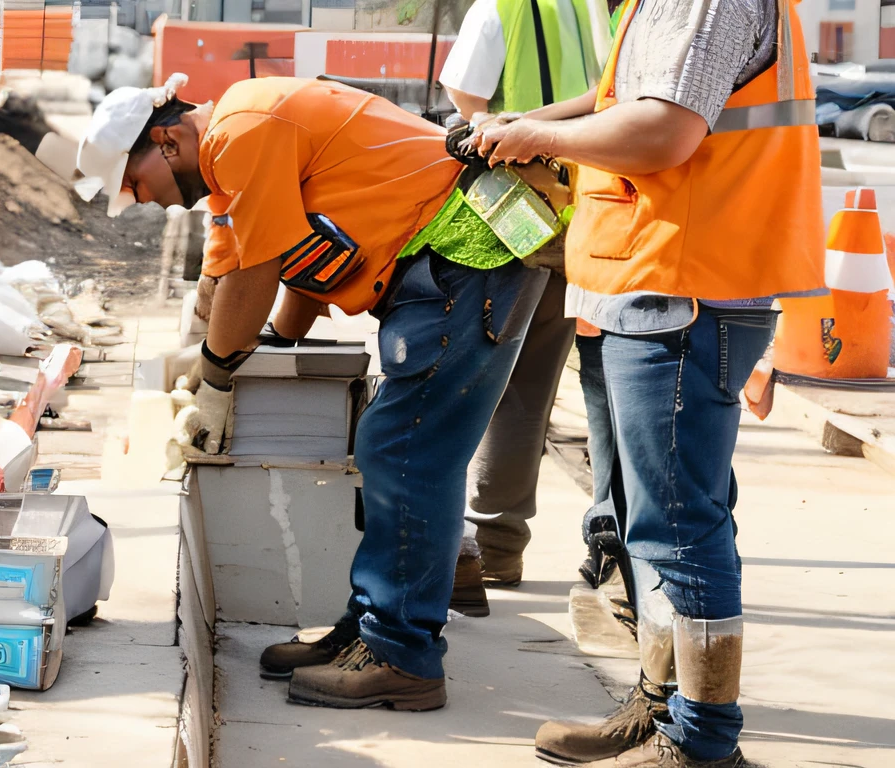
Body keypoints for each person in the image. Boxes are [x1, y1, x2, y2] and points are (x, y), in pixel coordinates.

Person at [74, 73, 557, 709]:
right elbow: (241, 276)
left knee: (407, 453)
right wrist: (255, 349)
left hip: (466, 255)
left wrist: (217, 380)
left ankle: (402, 657)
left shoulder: (243, 130)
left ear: (166, 142)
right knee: (394, 449)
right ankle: (369, 632)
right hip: (451, 264)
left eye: (135, 184)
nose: (144, 200)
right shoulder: (231, 156)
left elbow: (256, 271)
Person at [471, 0, 823, 763]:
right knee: (653, 524)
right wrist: (527, 120)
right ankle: (663, 706)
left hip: (683, 287)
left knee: (677, 528)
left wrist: (535, 135)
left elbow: (663, 130)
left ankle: (699, 742)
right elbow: (623, 104)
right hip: (654, 284)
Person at [434, 0, 610, 615]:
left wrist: (522, 127)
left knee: (491, 380)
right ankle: (504, 545)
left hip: (512, 214)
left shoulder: (503, 7)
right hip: (589, 208)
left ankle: (485, 549)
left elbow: (466, 97)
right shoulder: (608, 9)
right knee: (538, 386)